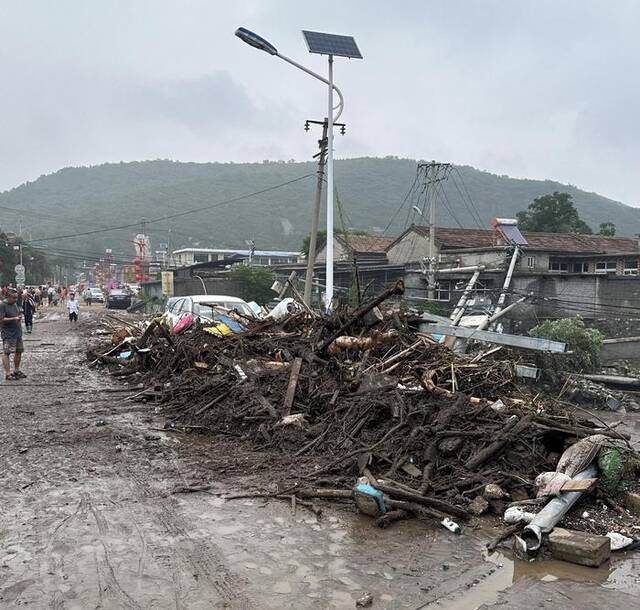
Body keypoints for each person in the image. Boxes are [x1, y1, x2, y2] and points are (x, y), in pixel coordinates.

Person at [0, 288, 25, 380]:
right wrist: (14, 318)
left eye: (16, 298)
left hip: (17, 332)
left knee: (19, 351)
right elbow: (1, 319)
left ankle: (16, 370)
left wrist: (19, 316)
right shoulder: (2, 305)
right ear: (8, 296)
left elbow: (17, 313)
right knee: (6, 352)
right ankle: (8, 373)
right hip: (8, 333)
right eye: (14, 298)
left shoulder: (14, 304)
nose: (15, 300)